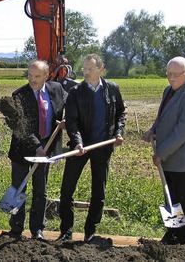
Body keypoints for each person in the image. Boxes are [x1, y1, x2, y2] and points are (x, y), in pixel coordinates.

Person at [56, 54, 126, 243]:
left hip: (103, 147)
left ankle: (90, 232)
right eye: (84, 69)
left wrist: (119, 132)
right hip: (80, 146)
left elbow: (121, 113)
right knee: (67, 190)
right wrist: (77, 141)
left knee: (98, 192)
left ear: (101, 69)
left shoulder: (112, 89)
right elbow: (71, 121)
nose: (86, 72)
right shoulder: (76, 92)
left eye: (90, 69)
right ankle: (66, 231)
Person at [143, 56, 185, 245]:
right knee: (169, 197)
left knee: (182, 200)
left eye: (176, 75)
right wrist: (152, 130)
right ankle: (172, 233)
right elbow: (162, 117)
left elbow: (182, 131)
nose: (171, 78)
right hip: (169, 157)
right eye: (169, 74)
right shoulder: (168, 91)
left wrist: (161, 152)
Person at [6, 60, 66, 240]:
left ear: (46, 76)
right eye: (30, 75)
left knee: (40, 190)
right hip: (22, 149)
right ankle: (16, 229)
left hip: (46, 149)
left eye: (37, 76)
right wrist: (37, 146)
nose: (33, 79)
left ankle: (37, 229)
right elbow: (22, 127)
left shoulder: (56, 89)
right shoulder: (19, 95)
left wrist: (67, 119)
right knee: (19, 188)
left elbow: (67, 105)